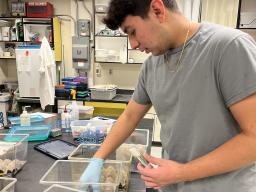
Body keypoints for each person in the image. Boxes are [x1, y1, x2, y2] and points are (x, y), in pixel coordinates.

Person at [80, 0, 256, 191]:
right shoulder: (151, 66)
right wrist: (98, 158)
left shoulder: (228, 47)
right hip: (172, 186)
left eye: (132, 31)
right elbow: (130, 117)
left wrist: (182, 172)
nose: (133, 44)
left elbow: (253, 138)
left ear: (157, 10)